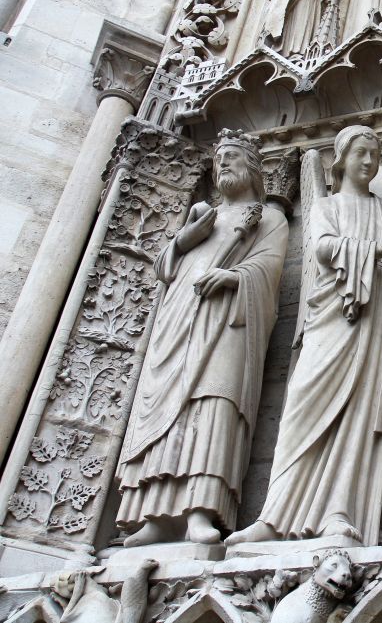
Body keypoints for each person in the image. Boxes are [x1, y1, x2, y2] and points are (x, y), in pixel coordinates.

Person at [226, 125, 382, 546]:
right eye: (360, 153)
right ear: (341, 159)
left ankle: (340, 512)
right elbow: (323, 249)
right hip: (333, 318)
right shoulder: (327, 206)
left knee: (358, 415)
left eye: (375, 155)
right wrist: (378, 248)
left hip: (377, 323)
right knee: (301, 409)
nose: (368, 161)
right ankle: (274, 516)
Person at [117, 129, 288, 546]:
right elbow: (164, 268)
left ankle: (200, 510)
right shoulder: (202, 214)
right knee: (166, 410)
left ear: (253, 168)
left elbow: (270, 270)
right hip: (179, 318)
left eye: (232, 157)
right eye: (218, 159)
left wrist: (233, 277)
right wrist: (184, 239)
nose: (222, 164)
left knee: (214, 403)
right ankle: (155, 516)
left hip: (229, 320)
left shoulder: (268, 218)